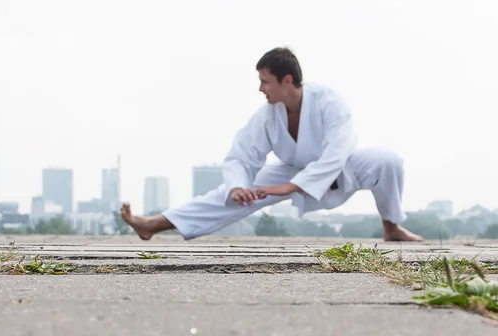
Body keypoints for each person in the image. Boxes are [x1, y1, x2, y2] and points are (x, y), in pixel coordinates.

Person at [121, 47, 423, 242]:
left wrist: (291, 187)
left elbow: (337, 153)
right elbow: (241, 155)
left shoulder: (330, 102)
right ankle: (151, 225)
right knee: (228, 196)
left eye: (265, 81)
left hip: (339, 169)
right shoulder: (268, 115)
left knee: (387, 161)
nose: (260, 88)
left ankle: (391, 227)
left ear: (287, 80)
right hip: (290, 171)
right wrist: (239, 186)